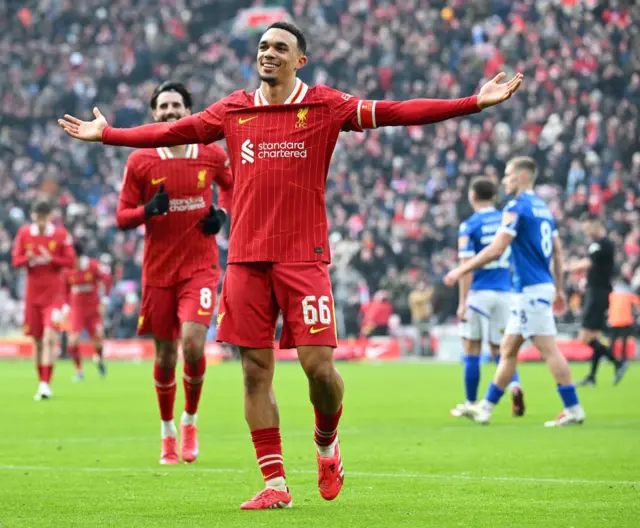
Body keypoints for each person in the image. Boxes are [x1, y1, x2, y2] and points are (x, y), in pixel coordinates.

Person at [58, 22, 523, 509]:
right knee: (254, 372)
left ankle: (326, 444)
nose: (269, 53)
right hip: (245, 259)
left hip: (304, 257)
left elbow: (395, 112)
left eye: (281, 47)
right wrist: (107, 134)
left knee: (318, 369)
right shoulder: (233, 109)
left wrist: (472, 102)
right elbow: (172, 131)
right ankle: (275, 484)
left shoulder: (326, 105)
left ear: (300, 59)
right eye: (263, 47)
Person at [116, 81, 233, 464]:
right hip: (158, 272)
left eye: (176, 106)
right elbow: (122, 218)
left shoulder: (211, 155)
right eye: (163, 106)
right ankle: (166, 430)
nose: (170, 112)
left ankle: (190, 420)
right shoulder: (140, 160)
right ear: (154, 113)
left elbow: (233, 189)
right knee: (166, 356)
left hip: (200, 267)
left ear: (188, 111)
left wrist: (222, 215)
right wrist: (147, 210)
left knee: (194, 344)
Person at [444, 156, 586, 427]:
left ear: (522, 177)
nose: (504, 180)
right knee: (508, 350)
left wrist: (461, 271)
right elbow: (557, 251)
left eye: (508, 175)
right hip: (531, 289)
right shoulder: (543, 208)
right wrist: (558, 288)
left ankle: (573, 408)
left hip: (529, 290)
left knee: (548, 350)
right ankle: (485, 407)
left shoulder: (516, 207)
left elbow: (497, 248)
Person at [451, 177, 524, 419]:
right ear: (493, 196)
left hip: (479, 294)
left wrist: (462, 302)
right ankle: (514, 386)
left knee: (471, 347)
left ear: (472, 196)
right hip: (505, 293)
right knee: (503, 350)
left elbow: (466, 265)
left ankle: (471, 402)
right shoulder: (506, 219)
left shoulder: (469, 225)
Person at [11, 199, 76, 400]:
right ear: (32, 215)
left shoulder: (60, 235)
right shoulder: (24, 233)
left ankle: (46, 384)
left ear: (50, 217)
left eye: (44, 217)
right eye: (37, 216)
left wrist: (52, 259)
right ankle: (42, 382)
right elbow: (15, 260)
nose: (40, 220)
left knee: (50, 338)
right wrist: (28, 259)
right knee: (38, 341)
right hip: (33, 294)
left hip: (54, 295)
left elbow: (70, 260)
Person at [567, 214, 627, 386]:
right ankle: (592, 377)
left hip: (598, 293)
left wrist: (567, 267)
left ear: (596, 225)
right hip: (598, 291)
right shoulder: (597, 245)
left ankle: (618, 362)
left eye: (587, 227)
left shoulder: (603, 244)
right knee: (595, 336)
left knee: (585, 337)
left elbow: (587, 263)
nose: (585, 231)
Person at [62, 242, 112, 381]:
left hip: (93, 309)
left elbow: (107, 280)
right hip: (77, 309)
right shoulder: (67, 269)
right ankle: (79, 371)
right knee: (72, 342)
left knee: (98, 343)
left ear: (78, 256)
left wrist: (105, 300)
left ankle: (100, 360)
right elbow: (65, 288)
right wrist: (66, 306)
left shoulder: (93, 265)